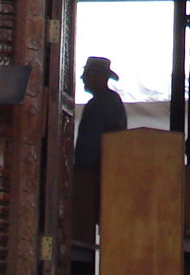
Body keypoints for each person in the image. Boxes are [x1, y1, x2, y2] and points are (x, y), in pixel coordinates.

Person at [69, 57, 126, 250]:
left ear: (99, 76)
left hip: (97, 176)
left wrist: (99, 171)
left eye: (87, 74)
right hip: (87, 175)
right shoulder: (97, 103)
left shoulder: (109, 102)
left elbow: (114, 138)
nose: (83, 79)